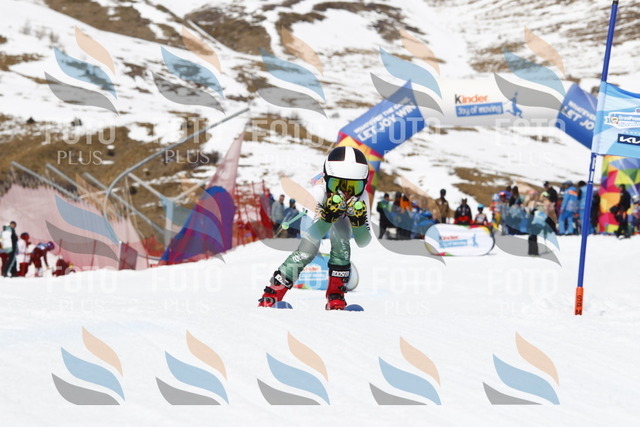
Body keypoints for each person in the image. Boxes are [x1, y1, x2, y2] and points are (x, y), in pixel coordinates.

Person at [258, 146, 372, 310]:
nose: (346, 194)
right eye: (337, 185)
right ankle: (272, 294)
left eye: (354, 187)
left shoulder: (362, 196)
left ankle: (335, 297)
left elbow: (363, 241)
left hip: (336, 217)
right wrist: (328, 217)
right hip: (318, 214)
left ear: (364, 184)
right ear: (327, 180)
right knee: (308, 250)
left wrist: (358, 221)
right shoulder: (319, 191)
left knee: (342, 245)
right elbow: (313, 234)